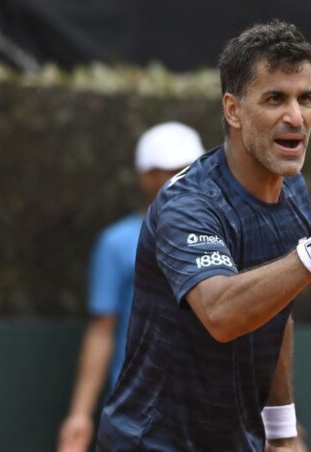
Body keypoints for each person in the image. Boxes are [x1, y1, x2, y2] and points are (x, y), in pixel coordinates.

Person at [96, 20, 311, 451]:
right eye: (275, 99)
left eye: (305, 99)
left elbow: (277, 308)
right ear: (233, 110)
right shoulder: (187, 203)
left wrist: (282, 431)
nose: (295, 117)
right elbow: (222, 314)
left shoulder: (294, 192)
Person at [58, 122, 205, 452]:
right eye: (164, 170)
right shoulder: (115, 244)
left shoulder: (224, 237)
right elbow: (102, 330)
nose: (176, 179)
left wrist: (281, 421)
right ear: (145, 177)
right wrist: (80, 416)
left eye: (185, 169)